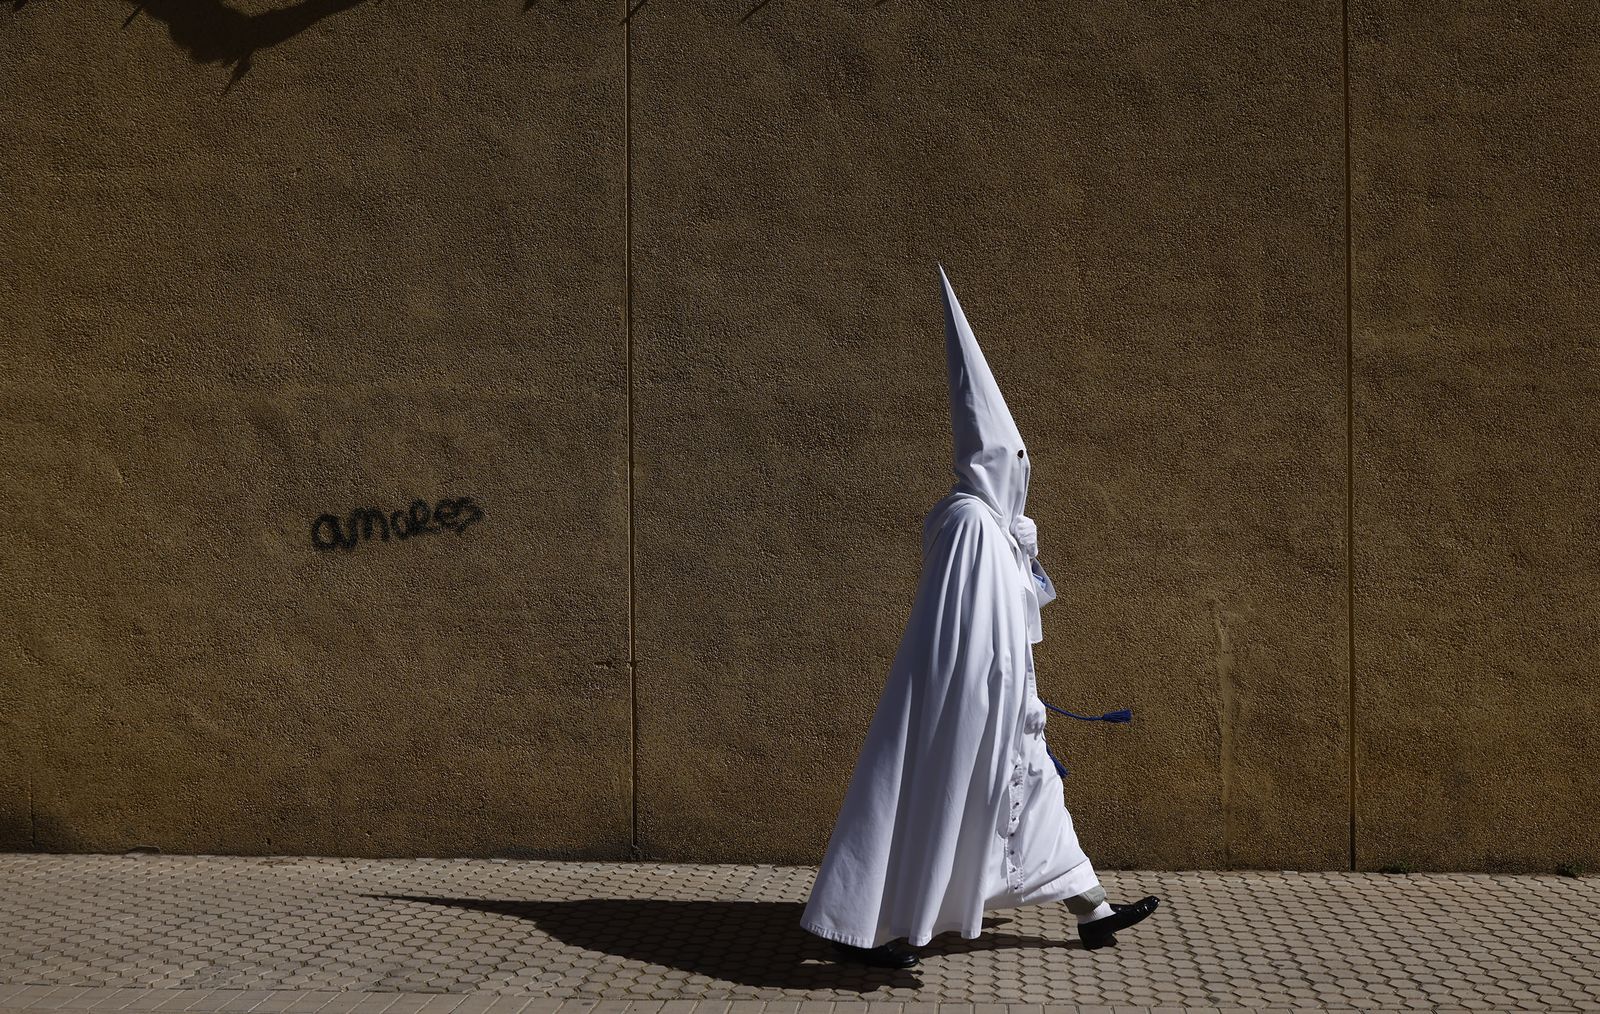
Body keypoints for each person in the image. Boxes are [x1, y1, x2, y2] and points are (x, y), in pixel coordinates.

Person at [799, 265, 1159, 968]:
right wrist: (995, 692)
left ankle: (1094, 910)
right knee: (931, 810)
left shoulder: (994, 524)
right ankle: (866, 930)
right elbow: (966, 629)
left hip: (1007, 706)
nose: (1020, 470)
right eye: (1011, 458)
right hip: (969, 705)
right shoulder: (968, 522)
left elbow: (1015, 612)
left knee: (1039, 811)